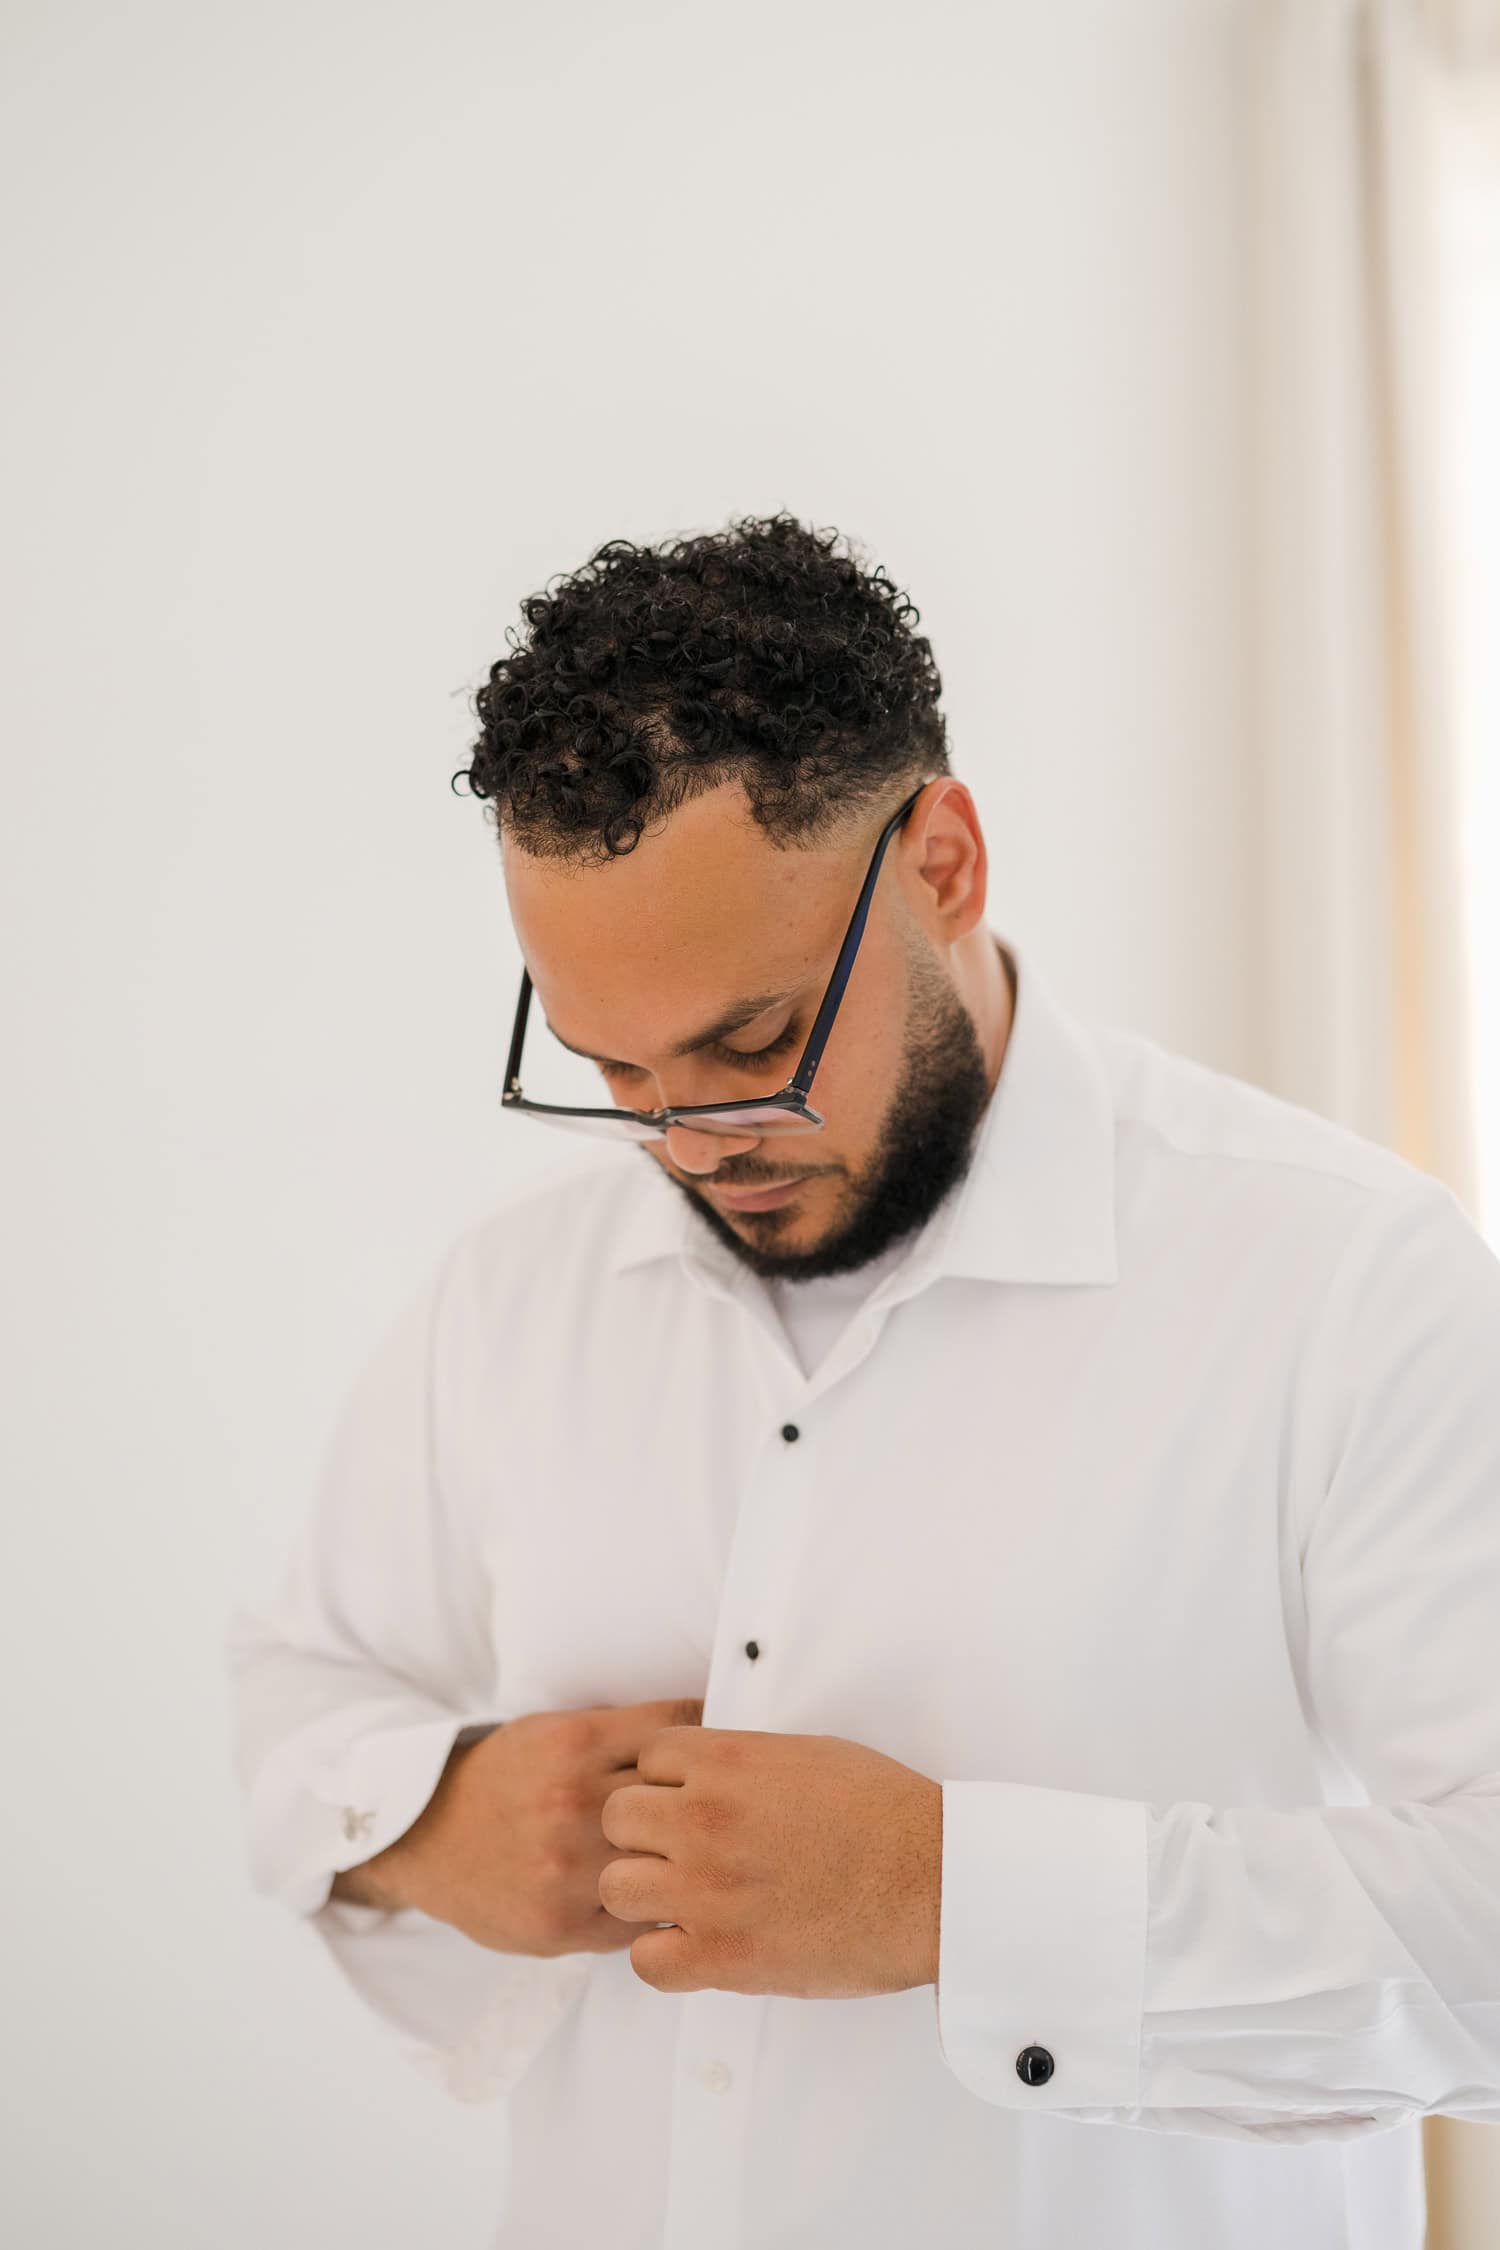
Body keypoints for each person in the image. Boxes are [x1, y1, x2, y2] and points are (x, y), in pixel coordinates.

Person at [225, 512, 1500, 2250]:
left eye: (753, 1046)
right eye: (616, 1068)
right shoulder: (513, 1297)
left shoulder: (1353, 1281)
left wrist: (953, 1895)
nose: (690, 1142)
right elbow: (298, 1692)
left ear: (948, 860)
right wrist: (427, 1821)